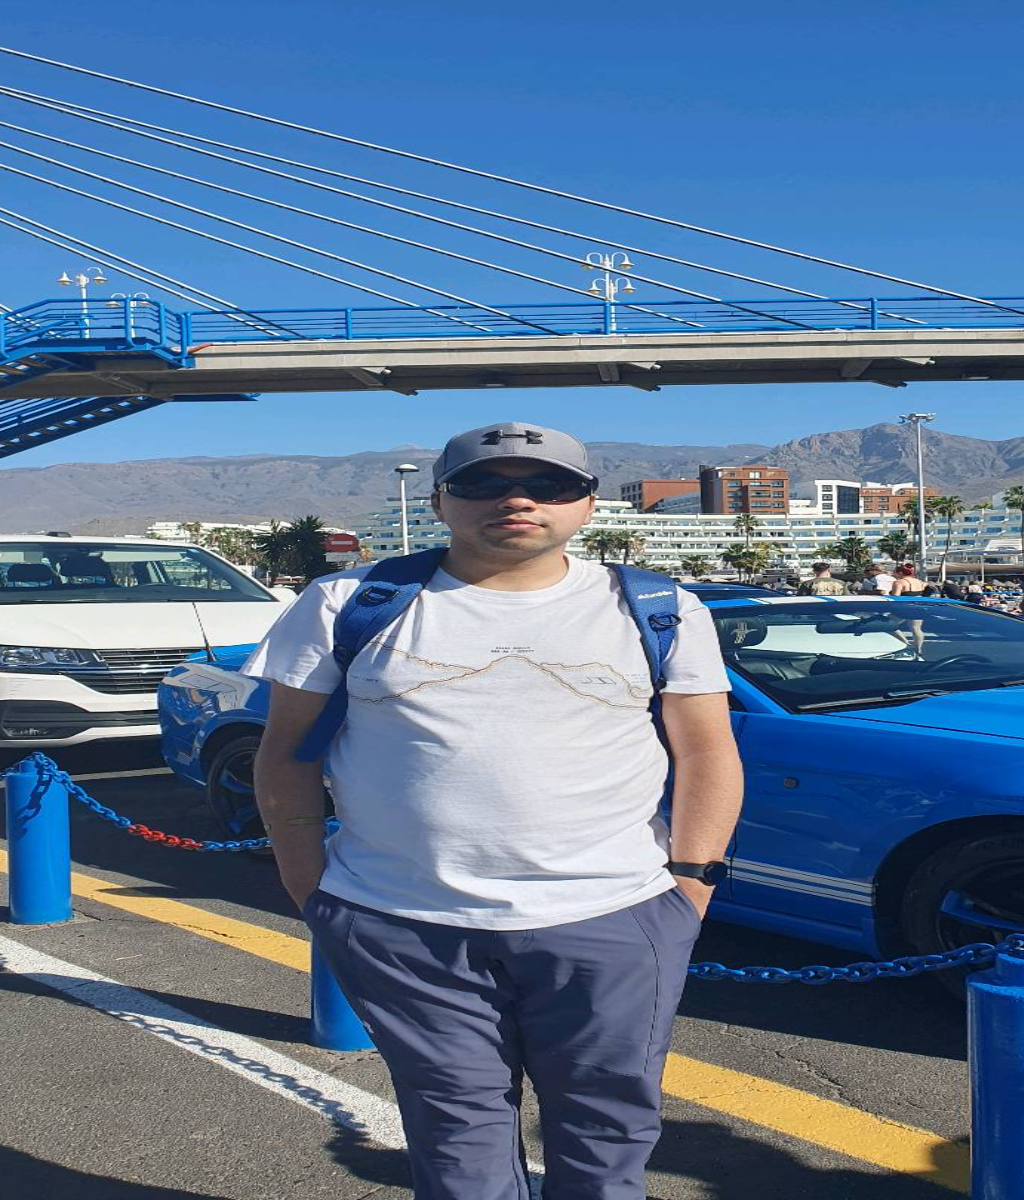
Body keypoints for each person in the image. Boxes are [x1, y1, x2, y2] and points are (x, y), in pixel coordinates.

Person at [247, 422, 743, 1200]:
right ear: (440, 501)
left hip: (615, 914)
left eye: (548, 484)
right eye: (484, 483)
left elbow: (707, 751)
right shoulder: (347, 603)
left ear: (587, 503)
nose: (517, 499)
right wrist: (311, 888)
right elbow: (285, 752)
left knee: (609, 1132)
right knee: (455, 1139)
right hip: (403, 921)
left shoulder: (659, 608)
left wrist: (691, 886)